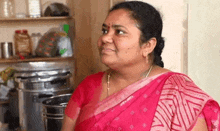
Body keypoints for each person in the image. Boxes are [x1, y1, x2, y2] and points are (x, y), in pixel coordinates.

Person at [61, 1, 220, 131]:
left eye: (120, 32)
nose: (105, 38)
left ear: (148, 46)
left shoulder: (179, 93)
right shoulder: (88, 86)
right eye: (104, 30)